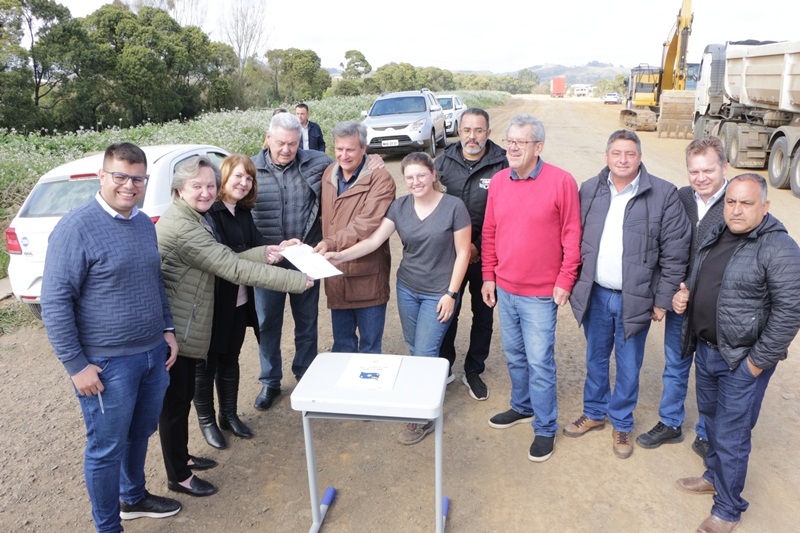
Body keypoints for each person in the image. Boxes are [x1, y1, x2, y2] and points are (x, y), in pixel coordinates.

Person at [41, 142, 182, 532]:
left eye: (137, 178)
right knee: (105, 449)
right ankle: (108, 526)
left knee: (139, 433)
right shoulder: (76, 228)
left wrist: (167, 330)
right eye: (120, 176)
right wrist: (76, 366)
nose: (129, 185)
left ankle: (133, 498)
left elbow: (154, 282)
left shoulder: (141, 223)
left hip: (153, 355)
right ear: (102, 176)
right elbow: (55, 303)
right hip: (106, 365)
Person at [157, 156, 311, 498]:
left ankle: (181, 459)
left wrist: (269, 251)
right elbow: (231, 266)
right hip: (181, 324)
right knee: (176, 403)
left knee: (183, 395)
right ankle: (178, 476)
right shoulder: (185, 226)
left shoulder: (194, 217)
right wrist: (297, 281)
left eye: (209, 185)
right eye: (197, 186)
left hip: (189, 317)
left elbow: (235, 256)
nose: (206, 192)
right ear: (180, 189)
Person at [672, 174, 800, 533]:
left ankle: (728, 509)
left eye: (746, 203)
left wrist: (755, 364)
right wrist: (685, 296)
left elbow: (790, 312)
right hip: (708, 351)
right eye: (731, 202)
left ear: (765, 206)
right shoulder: (716, 235)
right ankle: (713, 476)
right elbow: (705, 283)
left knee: (732, 434)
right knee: (711, 423)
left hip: (741, 361)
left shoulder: (780, 247)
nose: (737, 210)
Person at [326, 151, 471, 445]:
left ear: (433, 174)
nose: (416, 182)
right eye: (409, 177)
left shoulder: (454, 207)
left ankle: (422, 417)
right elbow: (374, 241)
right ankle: (434, 383)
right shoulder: (400, 207)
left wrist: (451, 294)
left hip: (438, 293)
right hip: (407, 288)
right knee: (415, 346)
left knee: (425, 353)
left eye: (421, 175)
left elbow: (463, 253)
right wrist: (340, 254)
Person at [565, 129, 691, 459]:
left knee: (629, 364)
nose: (623, 159)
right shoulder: (590, 189)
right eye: (617, 153)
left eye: (630, 154)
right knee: (595, 358)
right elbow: (574, 240)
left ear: (640, 157)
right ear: (606, 156)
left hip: (635, 298)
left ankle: (621, 422)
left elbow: (675, 252)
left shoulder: (663, 194)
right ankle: (593, 413)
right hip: (597, 293)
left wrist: (662, 301)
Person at [250, 113, 383, 411]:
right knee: (267, 323)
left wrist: (375, 160)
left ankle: (305, 374)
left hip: (306, 260)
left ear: (301, 141)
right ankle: (270, 381)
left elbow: (352, 161)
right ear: (268, 138)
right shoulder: (251, 168)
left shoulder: (317, 163)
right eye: (281, 142)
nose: (287, 149)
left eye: (293, 143)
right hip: (266, 262)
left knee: (306, 323)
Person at [481, 114, 581, 462]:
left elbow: (572, 234)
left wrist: (565, 279)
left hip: (540, 294)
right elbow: (490, 232)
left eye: (520, 142)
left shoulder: (561, 182)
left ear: (538, 147)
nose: (511, 147)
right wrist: (488, 277)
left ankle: (545, 427)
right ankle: (521, 406)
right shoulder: (498, 181)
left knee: (540, 363)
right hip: (505, 289)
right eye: (509, 140)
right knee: (516, 356)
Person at [636, 136, 728, 457]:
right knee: (675, 365)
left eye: (708, 170)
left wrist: (694, 291)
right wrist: (673, 290)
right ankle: (670, 422)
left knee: (709, 372)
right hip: (679, 303)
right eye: (694, 171)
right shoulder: (682, 197)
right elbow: (668, 249)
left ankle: (706, 433)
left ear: (724, 167)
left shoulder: (736, 203)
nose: (700, 178)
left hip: (715, 311)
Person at [193, 155, 265, 450]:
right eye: (238, 177)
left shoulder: (243, 213)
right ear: (224, 177)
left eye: (248, 179)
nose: (244, 183)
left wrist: (281, 247)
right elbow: (226, 256)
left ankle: (229, 415)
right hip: (214, 303)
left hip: (238, 300)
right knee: (206, 365)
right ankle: (208, 422)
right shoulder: (212, 213)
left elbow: (256, 245)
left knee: (230, 359)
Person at [436, 108, 508, 400]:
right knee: (446, 312)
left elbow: (507, 215)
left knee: (483, 315)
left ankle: (474, 369)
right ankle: (444, 367)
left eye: (479, 131)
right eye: (466, 130)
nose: (472, 136)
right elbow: (432, 205)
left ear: (488, 133)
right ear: (459, 131)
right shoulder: (443, 162)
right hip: (450, 256)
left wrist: (478, 247)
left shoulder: (503, 164)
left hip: (487, 257)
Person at [312, 120, 396, 353]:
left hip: (367, 277)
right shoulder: (329, 173)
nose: (344, 155)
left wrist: (331, 242)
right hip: (336, 277)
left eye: (350, 149)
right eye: (339, 149)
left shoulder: (380, 179)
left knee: (370, 348)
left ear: (363, 149)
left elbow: (366, 224)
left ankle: (368, 390)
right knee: (343, 346)